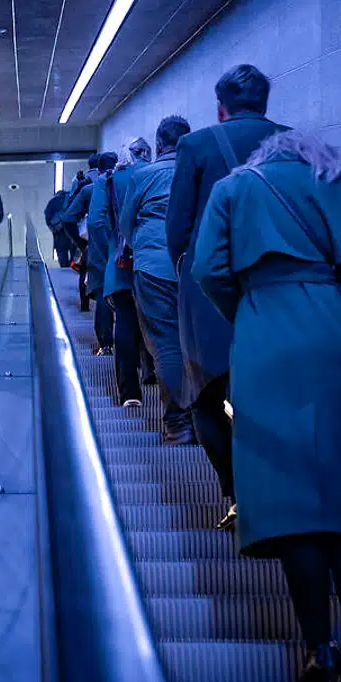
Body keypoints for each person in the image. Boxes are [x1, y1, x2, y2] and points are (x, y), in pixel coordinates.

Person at [192, 129, 341, 682]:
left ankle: (318, 647)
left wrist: (254, 308)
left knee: (290, 498)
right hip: (339, 333)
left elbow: (207, 270)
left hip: (266, 338)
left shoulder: (235, 189)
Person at [166, 64, 289, 530]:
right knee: (268, 394)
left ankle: (237, 494)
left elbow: (178, 226)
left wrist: (187, 267)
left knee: (205, 395)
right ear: (265, 103)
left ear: (221, 107)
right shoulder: (292, 142)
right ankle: (277, 491)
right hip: (272, 281)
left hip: (207, 282)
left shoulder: (195, 145)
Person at [119, 117, 193, 443]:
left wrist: (144, 247)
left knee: (166, 345)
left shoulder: (143, 175)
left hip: (153, 267)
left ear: (158, 144)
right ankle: (209, 419)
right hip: (195, 266)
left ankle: (178, 424)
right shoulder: (198, 171)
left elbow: (126, 224)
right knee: (198, 343)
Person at [91, 141, 151, 404]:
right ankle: (163, 386)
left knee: (125, 323)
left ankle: (130, 392)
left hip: (122, 263)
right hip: (156, 262)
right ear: (147, 154)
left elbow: (95, 221)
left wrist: (111, 248)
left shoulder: (110, 179)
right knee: (160, 323)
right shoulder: (157, 172)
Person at [61, 157, 107, 314]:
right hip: (110, 234)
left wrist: (79, 243)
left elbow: (69, 212)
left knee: (85, 268)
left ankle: (85, 304)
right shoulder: (113, 180)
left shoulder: (83, 182)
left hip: (87, 233)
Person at [45, 188, 74, 267]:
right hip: (73, 230)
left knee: (61, 252)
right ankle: (73, 269)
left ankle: (64, 267)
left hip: (59, 232)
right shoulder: (73, 199)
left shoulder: (52, 202)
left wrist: (53, 227)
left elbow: (48, 217)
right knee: (74, 252)